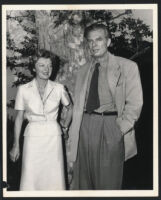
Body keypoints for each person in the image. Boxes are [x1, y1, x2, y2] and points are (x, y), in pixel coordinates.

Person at [68, 23, 143, 190]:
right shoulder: (83, 70)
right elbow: (78, 104)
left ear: (108, 42)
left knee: (107, 184)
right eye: (90, 41)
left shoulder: (127, 67)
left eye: (99, 39)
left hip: (110, 125)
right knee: (83, 183)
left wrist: (120, 128)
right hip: (84, 127)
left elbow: (135, 102)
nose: (94, 44)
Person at [9, 49, 72, 191]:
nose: (47, 69)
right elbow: (19, 118)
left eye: (49, 65)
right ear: (34, 67)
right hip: (32, 137)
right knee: (31, 176)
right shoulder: (23, 89)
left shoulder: (59, 88)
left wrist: (65, 126)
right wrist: (15, 145)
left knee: (54, 177)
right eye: (42, 65)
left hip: (53, 137)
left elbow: (70, 108)